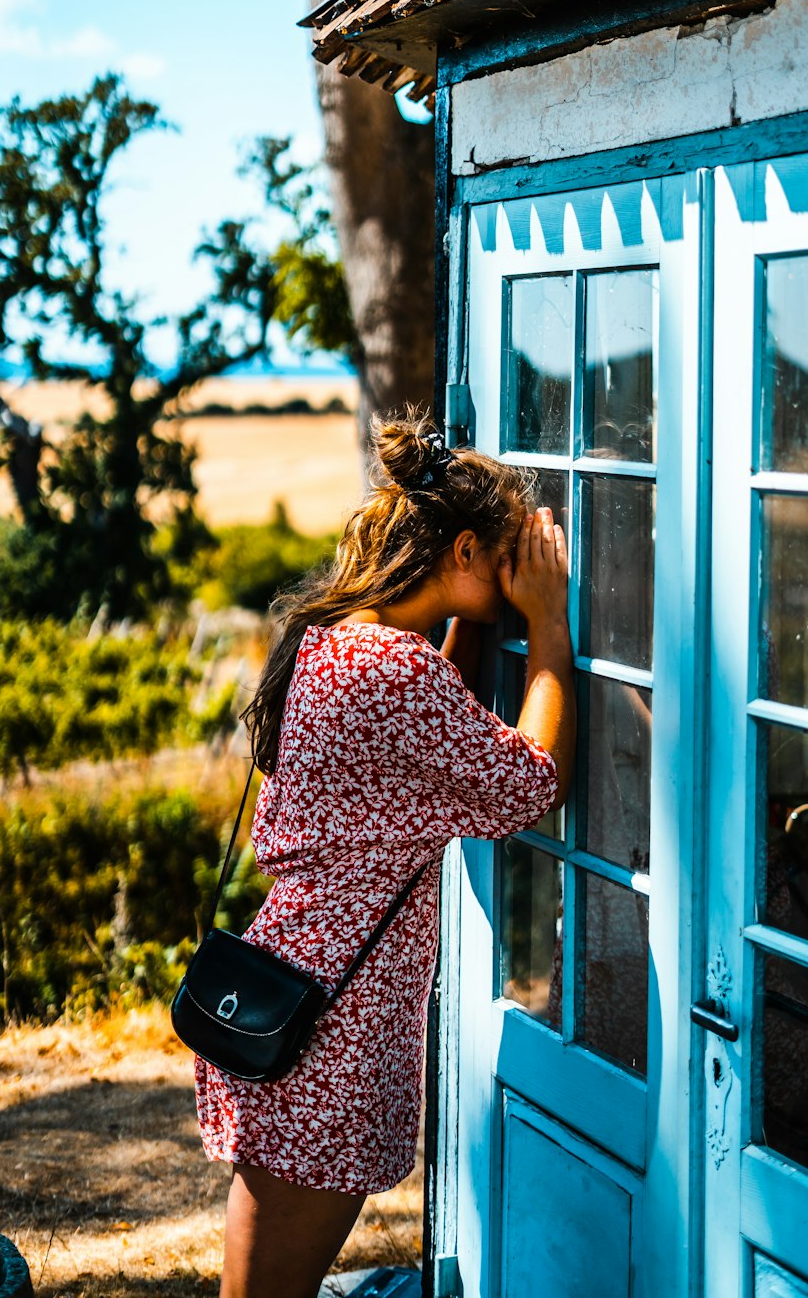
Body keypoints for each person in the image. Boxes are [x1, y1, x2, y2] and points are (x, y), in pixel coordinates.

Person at [195, 411, 576, 1298]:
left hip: (294, 992)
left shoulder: (344, 643)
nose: (527, 571)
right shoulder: (391, 673)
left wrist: (472, 626)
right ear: (469, 551)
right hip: (327, 1032)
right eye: (511, 555)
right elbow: (528, 783)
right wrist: (549, 629)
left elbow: (427, 733)